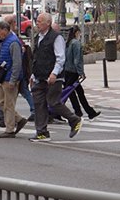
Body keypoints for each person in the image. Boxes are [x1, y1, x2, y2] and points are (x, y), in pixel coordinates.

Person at [29, 13, 82, 142]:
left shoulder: (56, 38)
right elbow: (37, 58)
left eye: (40, 21)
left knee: (53, 102)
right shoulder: (38, 37)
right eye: (37, 21)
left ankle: (74, 119)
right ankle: (41, 132)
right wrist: (33, 74)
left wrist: (54, 73)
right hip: (40, 76)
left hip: (53, 77)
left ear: (48, 23)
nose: (37, 23)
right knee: (38, 103)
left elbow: (60, 57)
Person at [0, 20, 28, 138]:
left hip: (9, 78)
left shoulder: (13, 42)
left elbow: (17, 63)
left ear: (5, 30)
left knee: (9, 104)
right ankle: (18, 119)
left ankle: (9, 129)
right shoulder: (6, 41)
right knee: (0, 100)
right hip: (4, 77)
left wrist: (13, 80)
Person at [64, 25, 100, 120]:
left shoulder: (68, 43)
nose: (80, 35)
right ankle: (79, 111)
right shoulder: (76, 44)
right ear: (76, 33)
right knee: (71, 92)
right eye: (79, 33)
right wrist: (81, 72)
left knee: (76, 91)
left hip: (67, 71)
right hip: (73, 71)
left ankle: (88, 111)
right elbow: (77, 60)